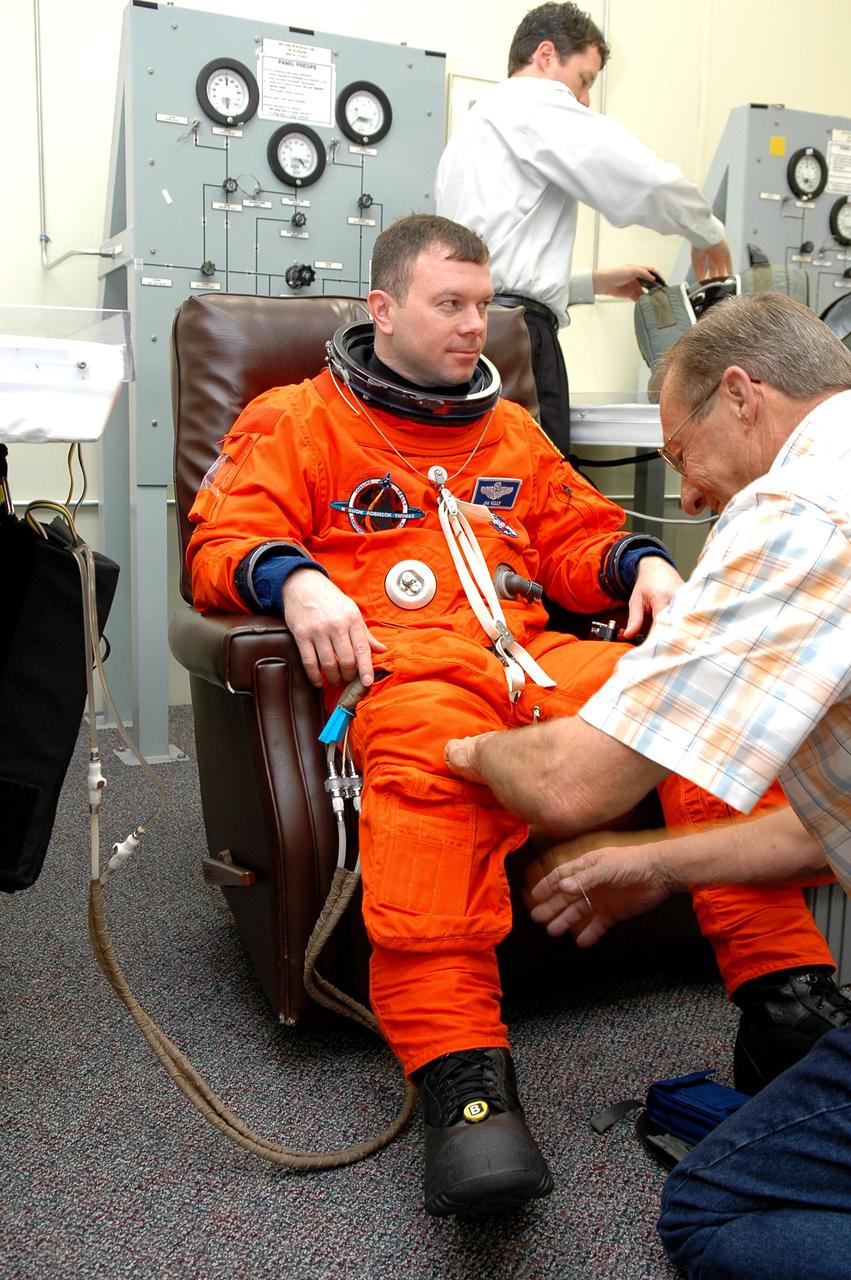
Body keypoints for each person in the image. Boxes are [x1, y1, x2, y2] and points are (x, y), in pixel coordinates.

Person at [187, 217, 836, 1219]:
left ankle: (785, 997)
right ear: (382, 309)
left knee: (700, 729)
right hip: (409, 667)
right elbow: (225, 532)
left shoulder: (511, 432)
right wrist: (299, 580)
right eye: (449, 303)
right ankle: (464, 1079)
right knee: (424, 777)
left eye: (482, 306)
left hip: (533, 657)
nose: (473, 325)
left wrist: (642, 563)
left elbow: (576, 531)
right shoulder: (296, 421)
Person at [444, 292, 851, 1273]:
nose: (691, 492)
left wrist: (469, 749)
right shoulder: (298, 424)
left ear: (741, 397)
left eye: (678, 453)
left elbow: (570, 786)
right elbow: (824, 823)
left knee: (707, 1213)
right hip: (439, 639)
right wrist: (656, 862)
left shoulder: (797, 509)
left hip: (506, 694)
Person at [435, 2, 732, 452]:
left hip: (473, 334)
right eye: (585, 79)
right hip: (518, 340)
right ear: (547, 55)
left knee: (485, 486)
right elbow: (643, 179)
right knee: (537, 494)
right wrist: (707, 230)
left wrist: (590, 283)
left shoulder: (477, 125)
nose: (586, 99)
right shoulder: (536, 103)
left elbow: (490, 271)